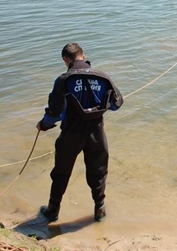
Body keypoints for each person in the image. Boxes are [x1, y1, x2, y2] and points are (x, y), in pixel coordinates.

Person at [36, 43, 123, 223]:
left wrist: (42, 125)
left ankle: (52, 211)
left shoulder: (63, 80)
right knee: (98, 171)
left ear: (66, 60)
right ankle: (100, 210)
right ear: (83, 56)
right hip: (96, 133)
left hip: (71, 133)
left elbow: (55, 113)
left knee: (61, 171)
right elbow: (115, 105)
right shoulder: (103, 77)